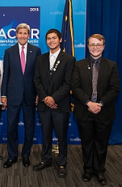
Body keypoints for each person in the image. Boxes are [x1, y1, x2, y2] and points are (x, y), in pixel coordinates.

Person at [71, 34, 120, 185]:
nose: (95, 47)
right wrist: (88, 103)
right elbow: (75, 87)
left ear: (103, 47)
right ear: (87, 46)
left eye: (98, 44)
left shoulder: (111, 66)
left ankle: (100, 171)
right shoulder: (78, 65)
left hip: (104, 111)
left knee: (101, 143)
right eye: (92, 44)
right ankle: (88, 169)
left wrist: (100, 104)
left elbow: (115, 88)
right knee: (86, 143)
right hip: (84, 111)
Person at [33, 29, 75, 177]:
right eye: (49, 39)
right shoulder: (40, 59)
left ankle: (62, 163)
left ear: (60, 39)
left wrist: (54, 98)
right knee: (45, 135)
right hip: (44, 105)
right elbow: (36, 81)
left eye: (54, 38)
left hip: (60, 105)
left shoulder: (69, 59)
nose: (51, 41)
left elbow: (67, 83)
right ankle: (46, 160)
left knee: (61, 136)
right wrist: (45, 98)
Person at [1, 23, 41, 168]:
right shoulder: (9, 51)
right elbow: (6, 74)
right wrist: (3, 94)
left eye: (25, 33)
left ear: (29, 35)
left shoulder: (36, 50)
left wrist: (38, 93)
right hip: (13, 95)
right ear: (16, 34)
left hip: (30, 95)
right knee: (11, 127)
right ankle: (12, 155)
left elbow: (38, 75)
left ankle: (25, 155)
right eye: (20, 33)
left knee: (29, 127)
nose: (23, 36)